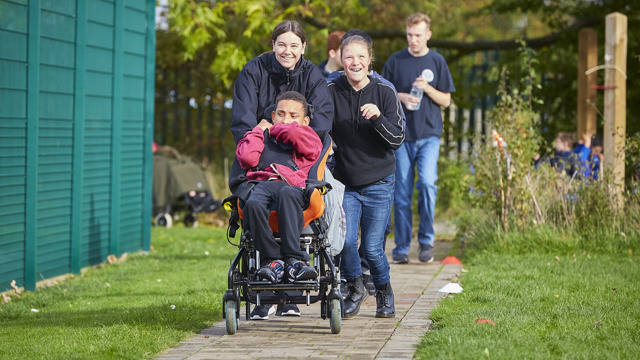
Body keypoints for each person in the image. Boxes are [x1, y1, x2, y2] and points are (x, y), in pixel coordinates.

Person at [229, 20, 334, 319]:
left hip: (298, 158)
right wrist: (261, 134)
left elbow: (322, 121)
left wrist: (292, 133)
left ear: (303, 47)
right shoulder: (254, 71)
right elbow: (242, 118)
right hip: (261, 152)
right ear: (273, 44)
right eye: (281, 44)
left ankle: (289, 295)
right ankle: (266, 291)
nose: (287, 51)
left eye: (294, 45)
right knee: (253, 201)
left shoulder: (312, 75)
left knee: (291, 194)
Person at [329, 35, 404, 318]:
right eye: (349, 57)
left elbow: (397, 139)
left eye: (361, 57)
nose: (355, 62)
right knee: (345, 243)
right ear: (341, 59)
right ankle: (354, 287)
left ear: (370, 60)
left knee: (372, 249)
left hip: (380, 182)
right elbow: (315, 120)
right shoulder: (331, 89)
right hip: (346, 182)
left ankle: (384, 291)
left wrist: (377, 119)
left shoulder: (384, 91)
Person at [382, 13, 455, 264]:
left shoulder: (437, 61)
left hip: (429, 135)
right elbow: (382, 95)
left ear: (428, 35)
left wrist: (427, 89)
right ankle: (402, 247)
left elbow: (446, 100)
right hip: (401, 137)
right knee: (401, 192)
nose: (413, 40)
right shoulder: (395, 61)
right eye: (409, 35)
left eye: (418, 35)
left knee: (426, 183)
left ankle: (426, 242)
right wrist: (401, 97)